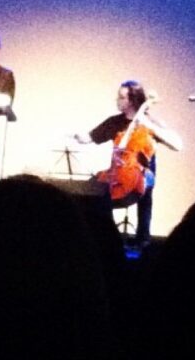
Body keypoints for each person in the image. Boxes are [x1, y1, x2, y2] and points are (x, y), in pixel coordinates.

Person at [74, 79, 183, 247]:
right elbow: (90, 137)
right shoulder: (114, 122)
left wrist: (148, 124)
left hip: (143, 175)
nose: (117, 100)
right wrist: (79, 136)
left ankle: (143, 238)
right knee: (94, 192)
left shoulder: (150, 122)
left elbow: (177, 145)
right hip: (118, 172)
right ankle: (108, 235)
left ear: (132, 101)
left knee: (145, 189)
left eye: (121, 97)